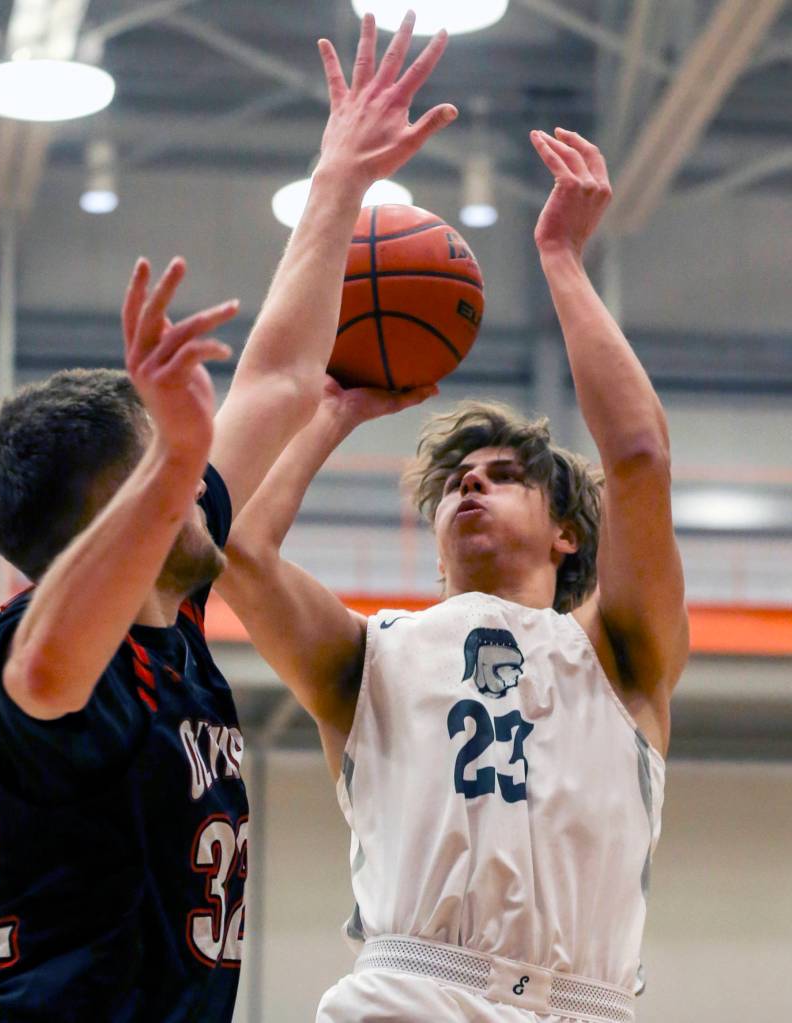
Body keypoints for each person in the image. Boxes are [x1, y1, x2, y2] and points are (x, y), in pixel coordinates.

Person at [0, 13, 456, 1021]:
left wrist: (339, 178)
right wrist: (176, 452)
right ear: (108, 523)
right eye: (164, 477)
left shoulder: (167, 612)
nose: (198, 483)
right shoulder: (22, 667)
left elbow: (275, 377)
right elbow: (51, 668)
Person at [216, 128, 688, 1022]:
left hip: (586, 1003)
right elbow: (235, 547)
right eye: (455, 482)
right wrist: (333, 408)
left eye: (506, 475)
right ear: (435, 541)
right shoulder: (374, 652)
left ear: (567, 537)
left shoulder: (622, 653)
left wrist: (561, 258)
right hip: (410, 990)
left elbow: (636, 455)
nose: (472, 481)